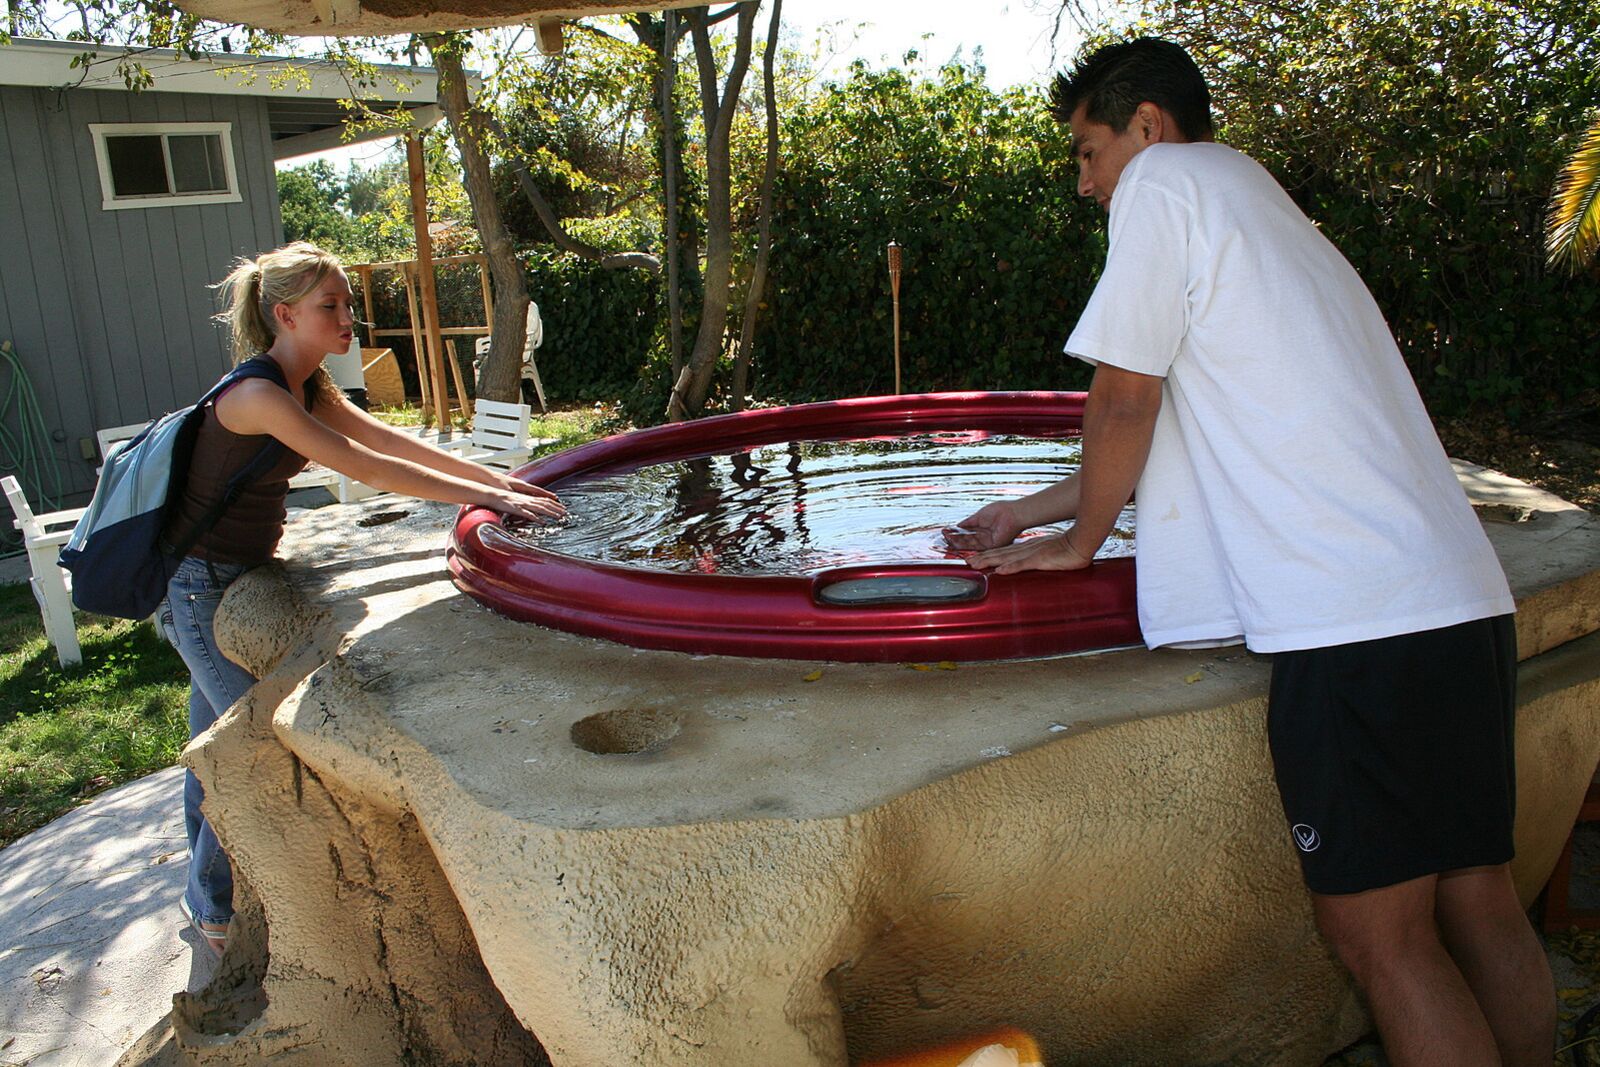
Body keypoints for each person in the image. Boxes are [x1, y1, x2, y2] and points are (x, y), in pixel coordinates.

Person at [945, 38, 1553, 1066]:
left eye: (1089, 151)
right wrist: (1037, 510)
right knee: (1478, 897)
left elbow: (1124, 395)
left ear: (1146, 126)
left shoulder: (1165, 185)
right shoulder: (1254, 204)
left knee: (1381, 939)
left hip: (1354, 622)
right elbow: (1182, 425)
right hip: (1454, 598)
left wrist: (1080, 546)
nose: (1086, 183)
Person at [163, 241, 563, 957]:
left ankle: (207, 902)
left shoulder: (309, 385)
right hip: (200, 587)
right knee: (249, 747)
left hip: (233, 576)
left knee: (215, 746)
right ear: (284, 314)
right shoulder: (256, 394)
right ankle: (217, 911)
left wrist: (502, 482)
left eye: (349, 303)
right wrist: (485, 492)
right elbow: (365, 465)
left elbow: (395, 441)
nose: (350, 317)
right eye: (331, 306)